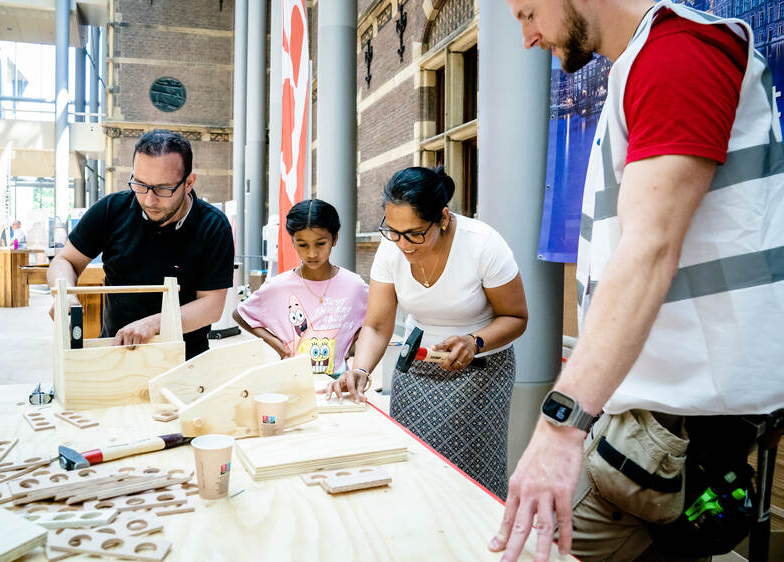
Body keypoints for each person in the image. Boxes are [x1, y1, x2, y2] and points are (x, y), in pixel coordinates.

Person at [491, 1, 784, 561]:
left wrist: (562, 424)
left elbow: (649, 250)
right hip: (662, 405)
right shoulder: (644, 63)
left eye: (528, 12)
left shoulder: (677, 55)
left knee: (540, 546)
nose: (527, 38)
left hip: (684, 416)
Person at [327, 166, 528, 498]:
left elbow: (516, 317)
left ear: (443, 218)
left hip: (481, 370)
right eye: (393, 231)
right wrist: (360, 369)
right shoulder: (391, 248)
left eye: (415, 233)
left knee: (470, 475)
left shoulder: (483, 245)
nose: (403, 244)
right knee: (412, 466)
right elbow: (377, 325)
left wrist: (474, 342)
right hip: (417, 366)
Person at [47, 129, 234, 360]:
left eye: (163, 189)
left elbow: (211, 305)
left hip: (185, 358)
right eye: (140, 184)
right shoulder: (111, 210)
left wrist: (155, 323)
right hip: (117, 350)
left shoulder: (213, 226)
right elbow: (65, 260)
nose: (149, 199)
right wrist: (64, 293)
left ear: (188, 183)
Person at [233, 199, 368, 377]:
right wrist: (278, 346)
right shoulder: (278, 286)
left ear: (334, 238)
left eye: (320, 243)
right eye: (303, 244)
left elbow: (376, 321)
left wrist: (350, 341)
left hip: (338, 382)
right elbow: (241, 314)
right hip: (292, 378)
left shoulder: (354, 285)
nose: (312, 253)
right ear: (293, 242)